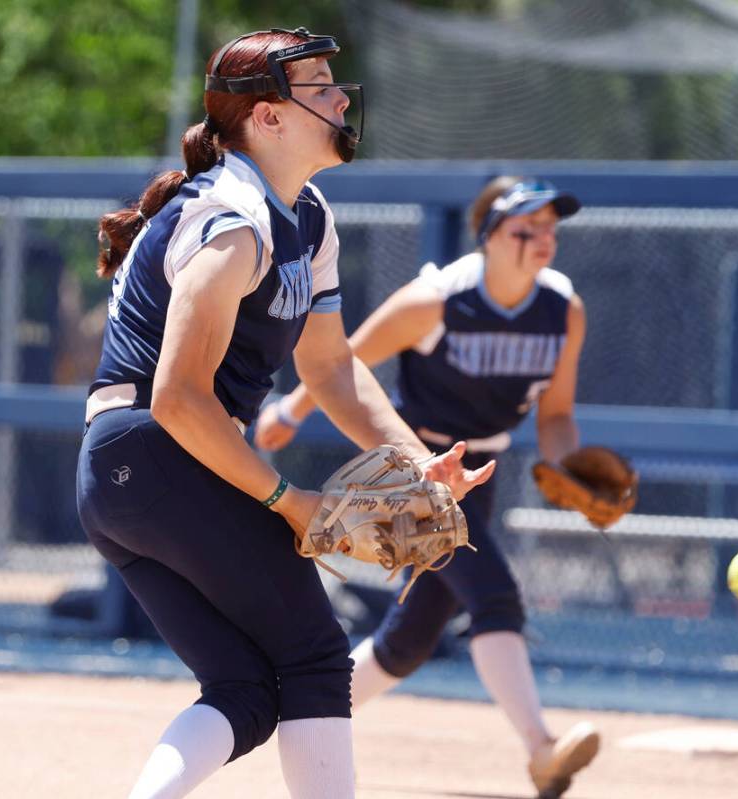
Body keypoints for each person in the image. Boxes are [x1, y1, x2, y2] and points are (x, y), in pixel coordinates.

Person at [75, 27, 493, 799]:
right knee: (313, 656)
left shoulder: (303, 216)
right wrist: (287, 500)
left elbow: (331, 367)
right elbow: (177, 396)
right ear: (266, 117)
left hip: (123, 476)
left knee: (244, 687)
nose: (341, 96)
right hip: (162, 449)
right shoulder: (233, 221)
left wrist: (412, 458)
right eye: (321, 85)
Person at [256, 176, 601, 798]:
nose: (543, 239)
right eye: (527, 227)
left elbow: (555, 416)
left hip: (481, 476)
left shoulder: (562, 310)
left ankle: (297, 710)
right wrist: (291, 413)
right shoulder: (439, 298)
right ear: (490, 235)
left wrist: (570, 469)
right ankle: (542, 752)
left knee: (411, 640)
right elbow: (345, 358)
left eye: (551, 227)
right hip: (417, 475)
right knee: (495, 598)